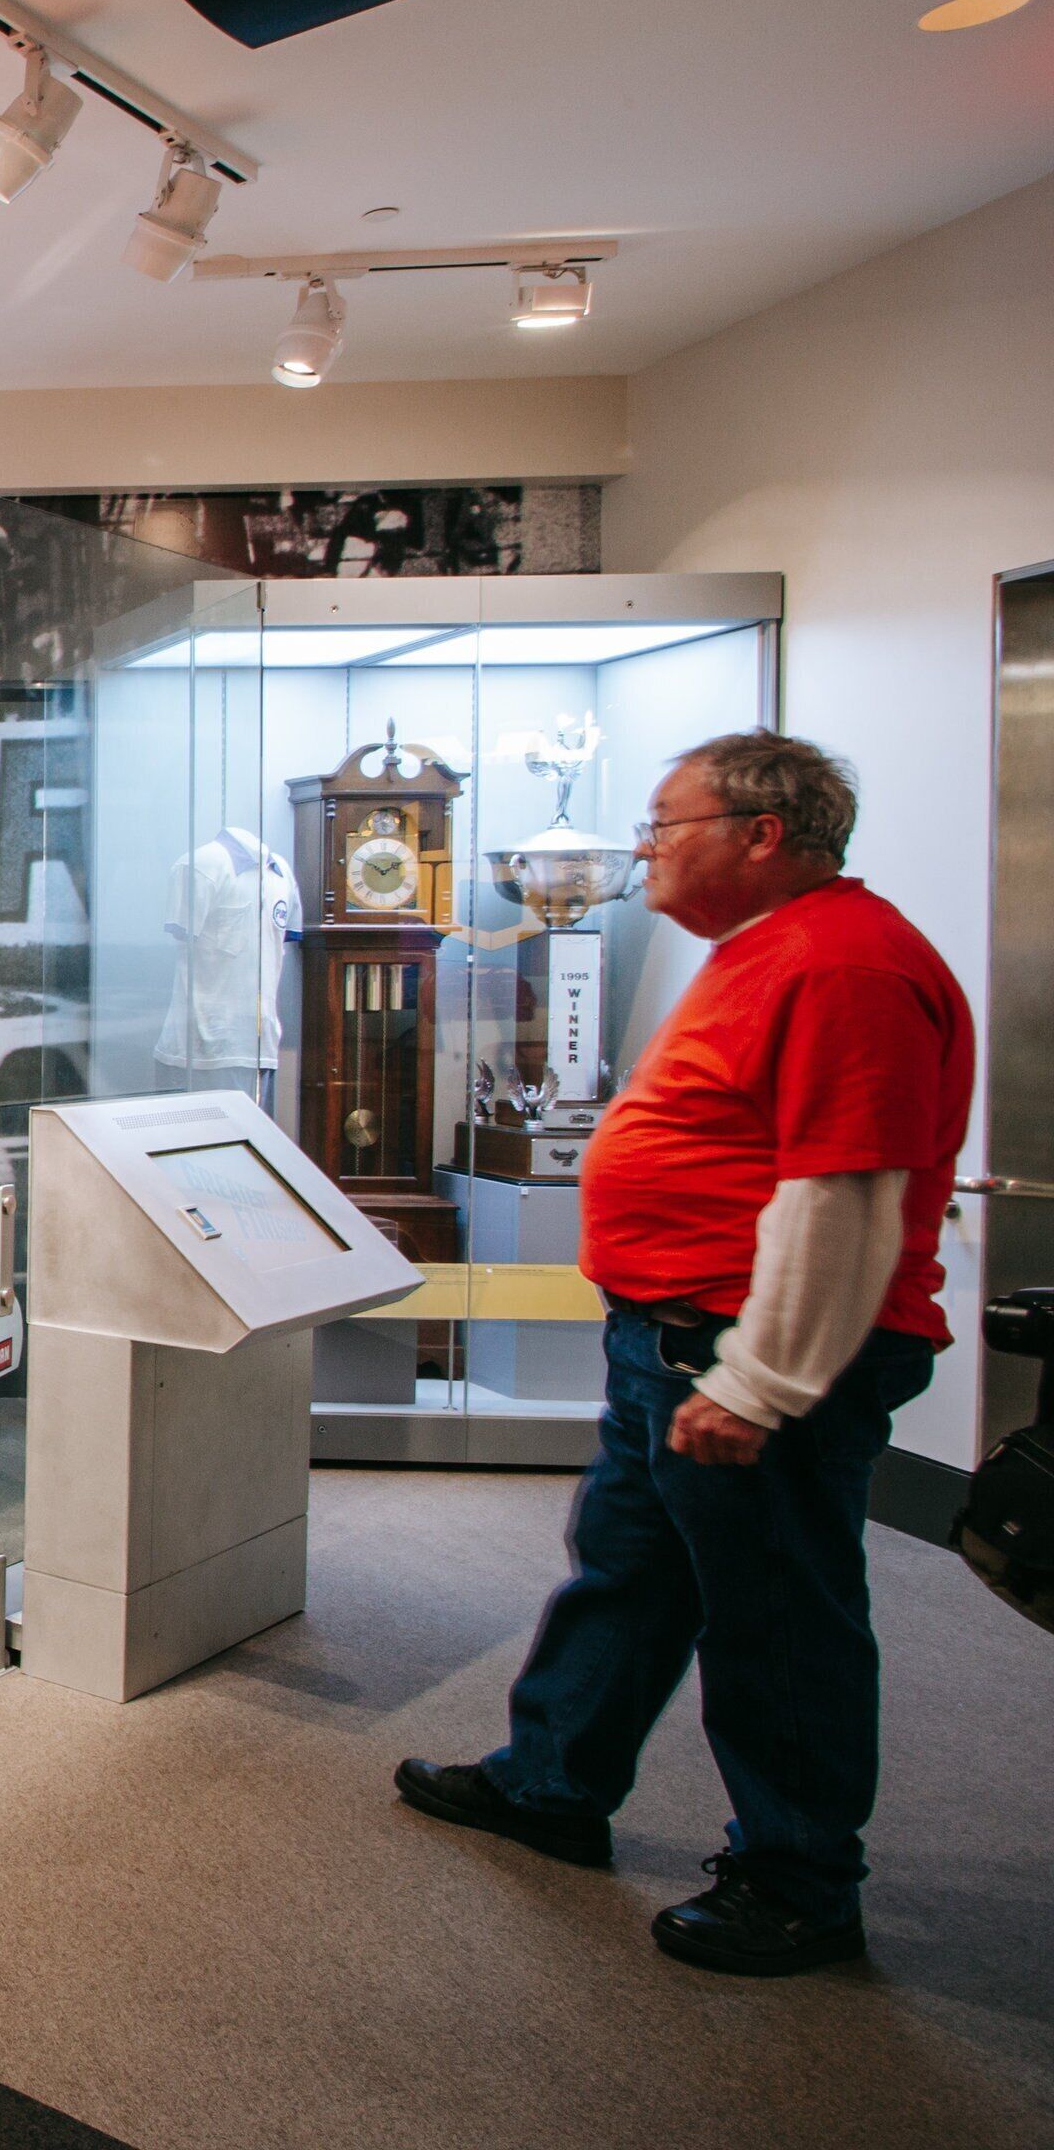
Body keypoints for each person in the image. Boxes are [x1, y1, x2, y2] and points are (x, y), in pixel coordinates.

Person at [397, 733, 973, 1978]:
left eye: (665, 826)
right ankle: (552, 1783)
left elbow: (846, 1196)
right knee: (630, 1573)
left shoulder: (844, 966)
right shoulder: (769, 954)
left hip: (739, 1352)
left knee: (776, 1621)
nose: (644, 850)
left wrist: (759, 1383)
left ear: (764, 832)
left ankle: (799, 1876)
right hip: (670, 1338)